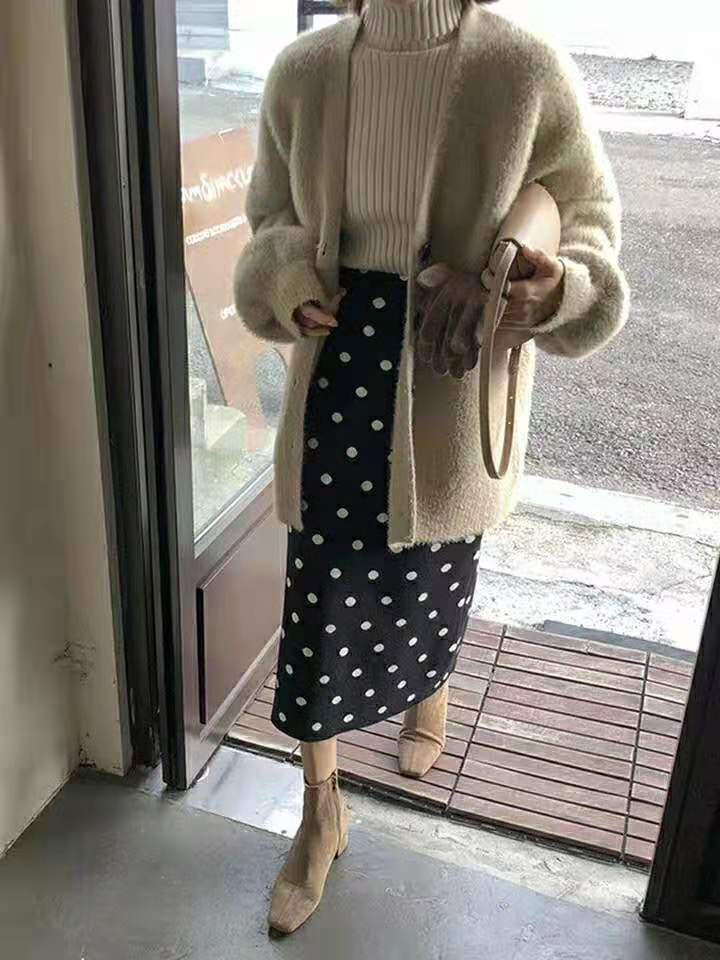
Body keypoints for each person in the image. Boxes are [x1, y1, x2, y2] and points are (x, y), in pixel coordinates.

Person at [234, 0, 628, 935]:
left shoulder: (523, 68)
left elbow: (590, 224)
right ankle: (320, 813)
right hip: (340, 350)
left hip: (451, 354)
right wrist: (286, 281)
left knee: (433, 560)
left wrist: (554, 288)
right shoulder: (304, 70)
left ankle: (427, 689)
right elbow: (270, 219)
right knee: (323, 587)